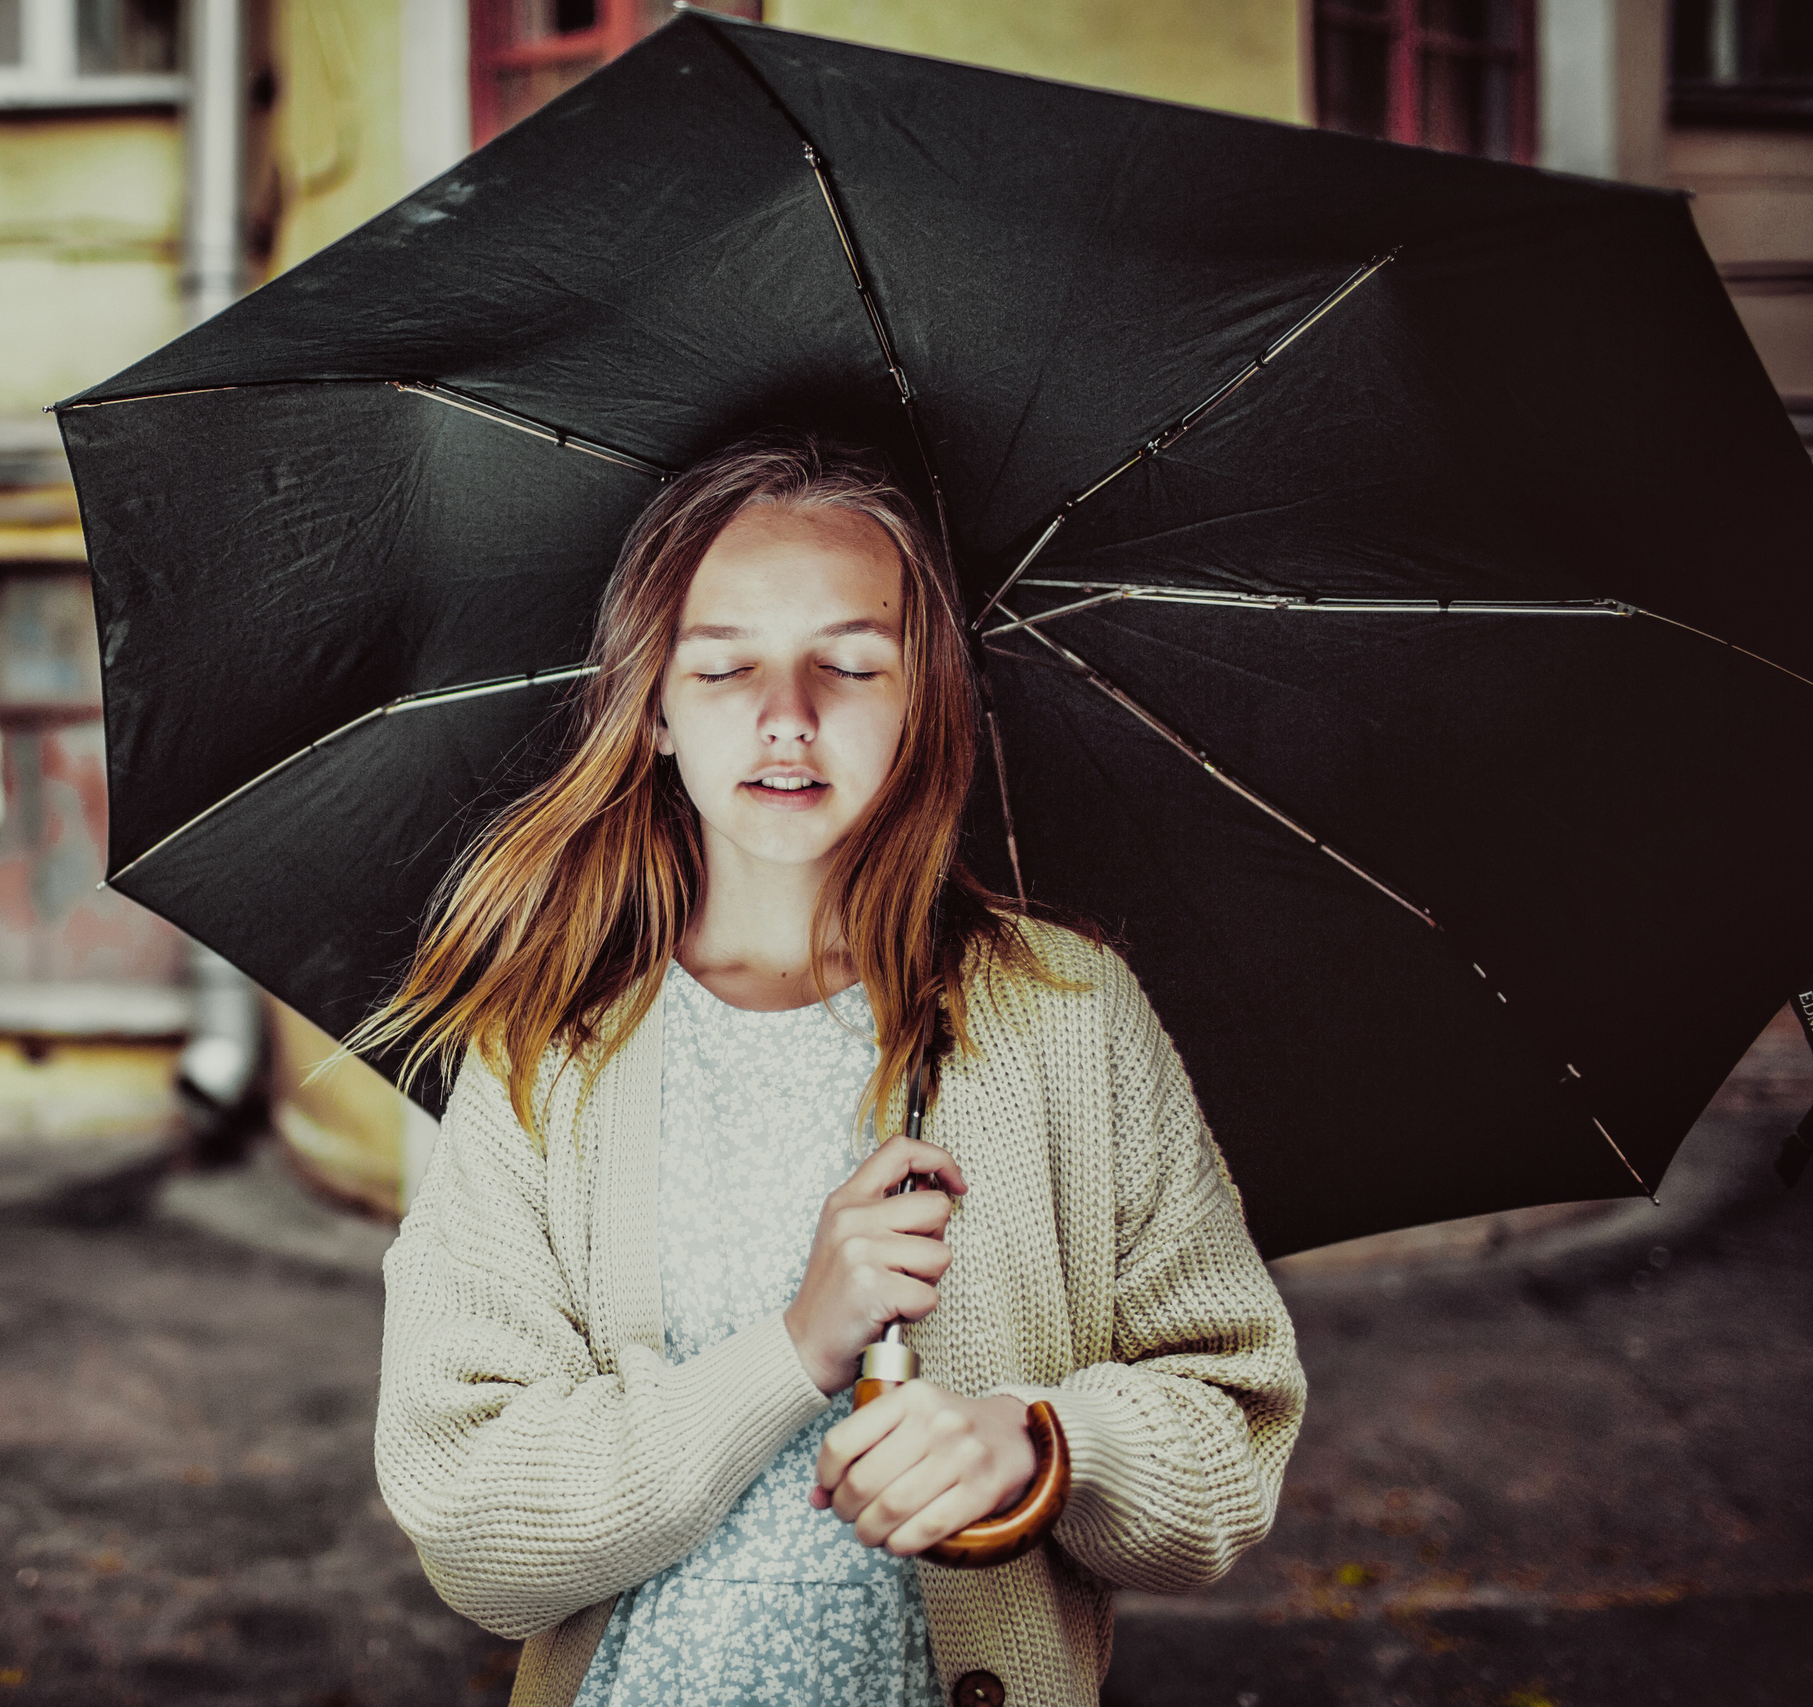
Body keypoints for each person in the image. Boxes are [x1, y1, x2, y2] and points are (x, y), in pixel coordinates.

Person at [355, 434, 1304, 1707]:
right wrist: (794, 1348)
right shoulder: (544, 1052)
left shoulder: (1068, 1020)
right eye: (724, 664)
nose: (786, 716)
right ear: (653, 709)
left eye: (852, 664)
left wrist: (1044, 1447)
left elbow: (1229, 1438)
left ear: (926, 701)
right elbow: (475, 1536)